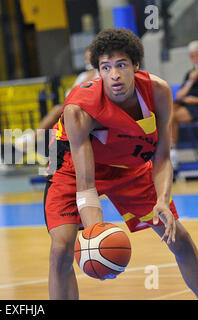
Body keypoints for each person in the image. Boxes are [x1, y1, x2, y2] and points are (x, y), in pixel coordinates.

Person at [44, 28, 198, 300]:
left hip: (130, 167)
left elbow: (161, 156)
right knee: (62, 248)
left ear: (136, 66)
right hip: (73, 166)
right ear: (97, 71)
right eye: (106, 67)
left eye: (121, 65)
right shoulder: (78, 108)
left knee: (180, 238)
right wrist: (96, 236)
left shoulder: (157, 91)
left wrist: (163, 200)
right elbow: (86, 182)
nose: (114, 74)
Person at [171, 41, 198, 149]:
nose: (195, 59)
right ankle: (169, 150)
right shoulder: (190, 74)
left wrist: (195, 100)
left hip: (195, 106)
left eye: (197, 55)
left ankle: (172, 151)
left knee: (170, 117)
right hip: (184, 103)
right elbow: (179, 95)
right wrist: (191, 81)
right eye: (192, 56)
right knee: (166, 110)